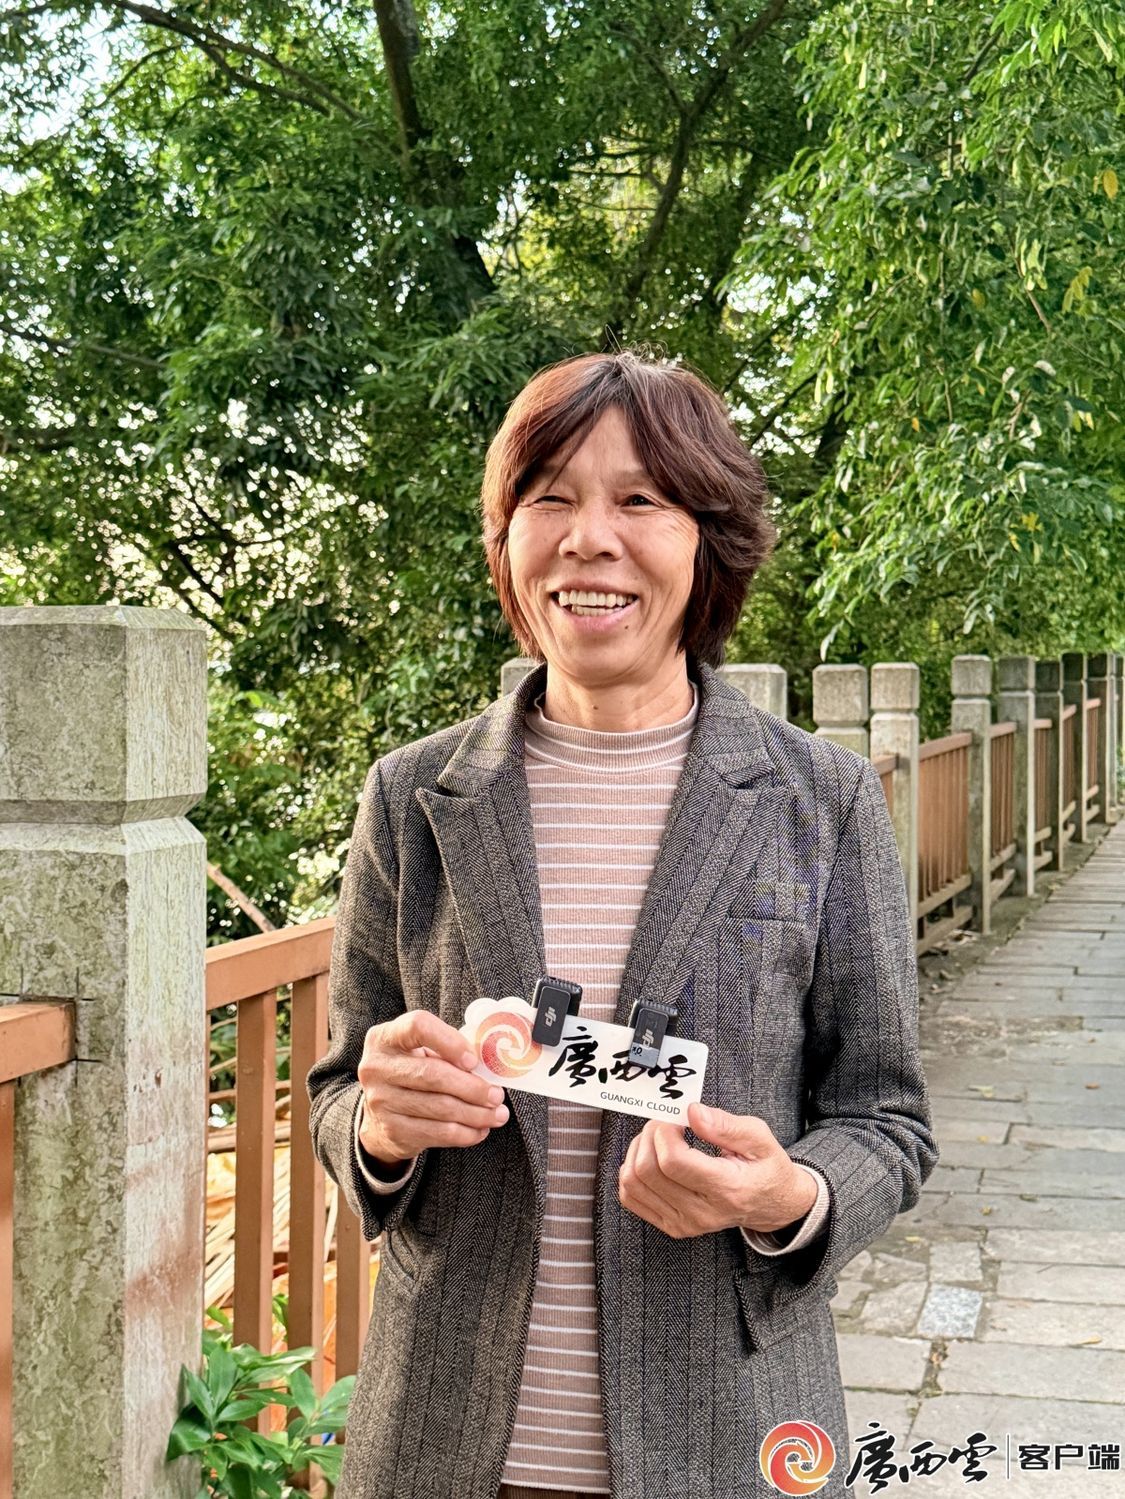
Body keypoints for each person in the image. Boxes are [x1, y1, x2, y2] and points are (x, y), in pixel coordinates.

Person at [306, 349, 939, 1499]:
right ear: (507, 539)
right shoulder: (413, 798)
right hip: (445, 1439)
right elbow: (340, 1089)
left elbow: (885, 1118)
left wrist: (788, 1196)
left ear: (708, 542)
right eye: (550, 496)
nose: (589, 537)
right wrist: (382, 1124)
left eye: (640, 499)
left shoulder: (823, 801)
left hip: (732, 1433)